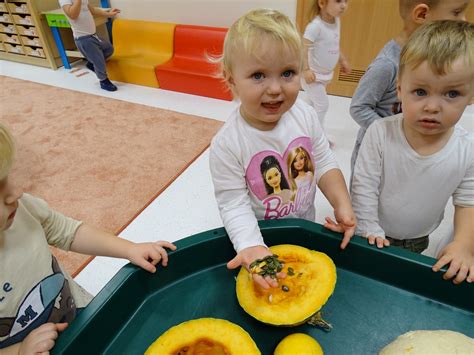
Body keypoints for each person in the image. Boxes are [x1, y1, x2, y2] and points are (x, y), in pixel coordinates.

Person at [209, 8, 356, 290]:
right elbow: (232, 202)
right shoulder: (227, 144)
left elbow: (324, 160)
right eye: (258, 75)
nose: (275, 88)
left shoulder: (305, 114)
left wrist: (342, 202)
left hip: (303, 222)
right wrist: (251, 246)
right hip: (258, 235)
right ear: (231, 79)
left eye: (287, 73)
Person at [0, 122, 176, 352]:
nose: (17, 191)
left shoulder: (21, 209)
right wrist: (18, 351)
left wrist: (129, 249)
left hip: (78, 312)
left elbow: (66, 230)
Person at [351, 20, 474, 284]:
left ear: (471, 95)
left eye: (452, 93)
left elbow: (468, 201)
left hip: (419, 237)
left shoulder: (467, 149)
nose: (432, 106)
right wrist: (368, 227)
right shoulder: (380, 133)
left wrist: (464, 245)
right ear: (399, 89)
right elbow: (364, 186)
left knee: (400, 284)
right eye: (420, 91)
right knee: (367, 283)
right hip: (372, 231)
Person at [349, 0, 471, 173]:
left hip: (407, 152)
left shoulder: (433, 60)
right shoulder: (387, 65)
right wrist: (392, 135)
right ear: (422, 14)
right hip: (377, 153)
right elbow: (358, 107)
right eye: (456, 12)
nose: (464, 20)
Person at [301, 0, 351, 144]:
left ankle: (301, 125)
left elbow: (334, 44)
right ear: (322, 3)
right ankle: (317, 139)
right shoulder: (315, 27)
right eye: (338, 1)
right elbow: (303, 49)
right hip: (313, 77)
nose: (343, 5)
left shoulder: (337, 21)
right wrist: (305, 70)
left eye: (346, 1)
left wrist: (343, 60)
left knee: (311, 104)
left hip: (324, 75)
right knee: (322, 105)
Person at [59, 0, 120, 92]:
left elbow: (92, 10)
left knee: (109, 49)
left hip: (93, 34)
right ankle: (103, 81)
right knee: (98, 60)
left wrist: (108, 14)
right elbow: (72, 15)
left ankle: (91, 64)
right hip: (83, 38)